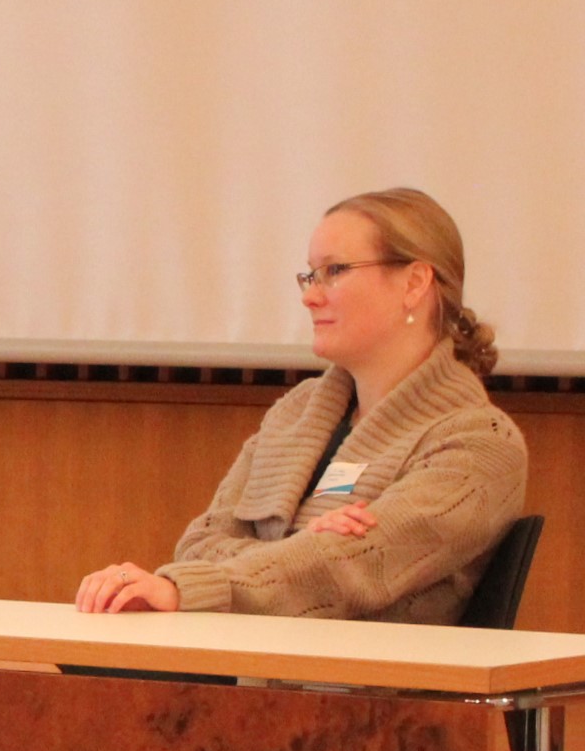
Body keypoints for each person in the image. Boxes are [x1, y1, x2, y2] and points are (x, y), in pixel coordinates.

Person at [76, 188, 525, 622]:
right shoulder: (296, 412)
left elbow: (346, 568)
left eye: (335, 271)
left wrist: (191, 588)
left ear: (414, 283)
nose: (310, 295)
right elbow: (198, 546)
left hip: (368, 698)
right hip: (254, 684)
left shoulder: (477, 444)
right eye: (311, 274)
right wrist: (305, 542)